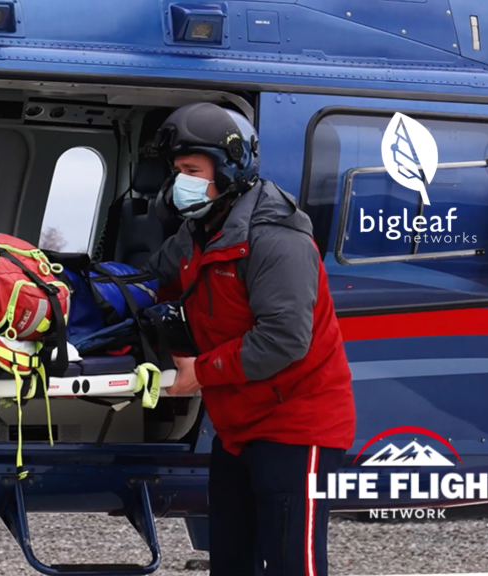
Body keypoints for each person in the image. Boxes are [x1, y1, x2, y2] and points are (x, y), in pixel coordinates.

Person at [144, 102, 356, 576]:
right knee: (231, 560)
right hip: (238, 425)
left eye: (193, 170)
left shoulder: (277, 239)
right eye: (177, 171)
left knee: (290, 562)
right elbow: (153, 284)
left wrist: (199, 372)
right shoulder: (196, 233)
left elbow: (283, 339)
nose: (182, 182)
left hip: (298, 427)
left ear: (230, 170)